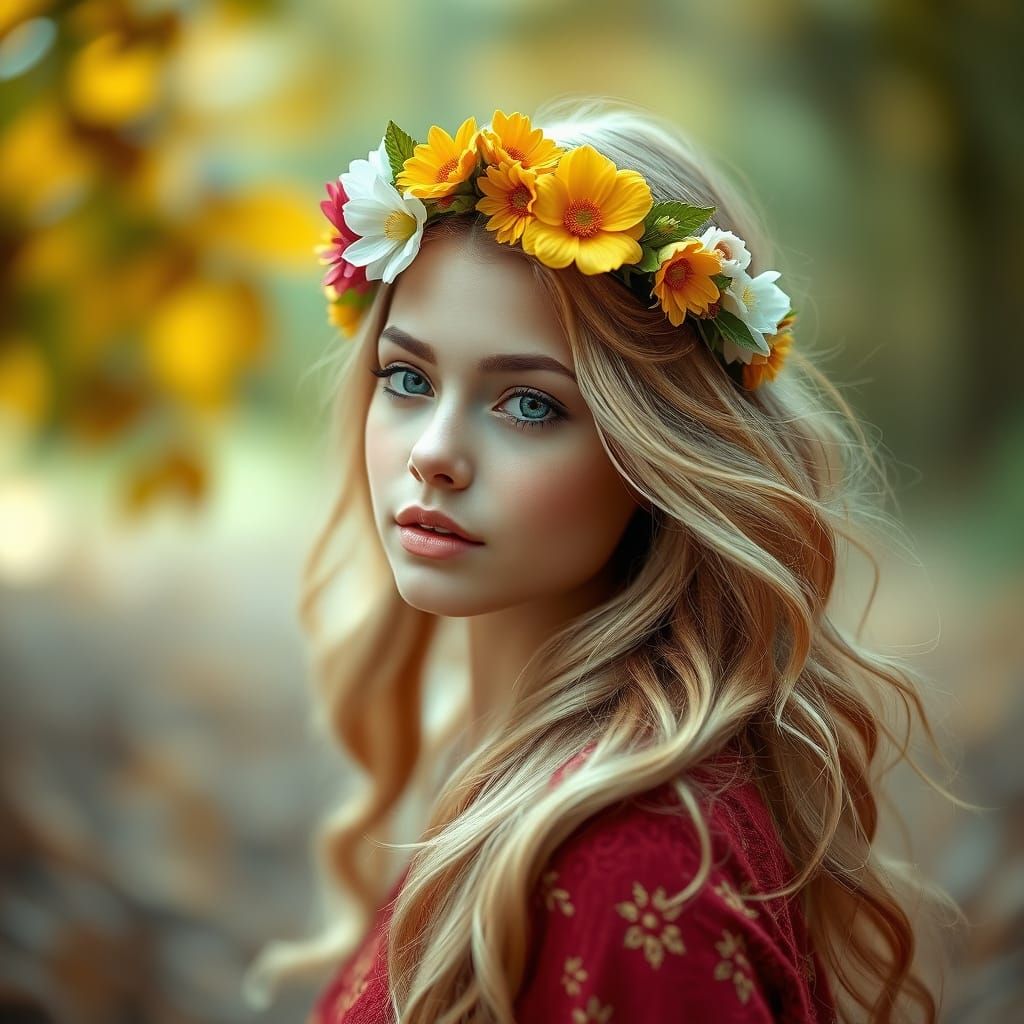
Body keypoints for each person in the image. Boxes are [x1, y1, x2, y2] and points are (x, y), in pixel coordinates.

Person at [242, 98, 967, 1023]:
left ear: (659, 451)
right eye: (409, 378)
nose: (433, 451)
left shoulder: (632, 867)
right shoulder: (529, 774)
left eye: (530, 404)